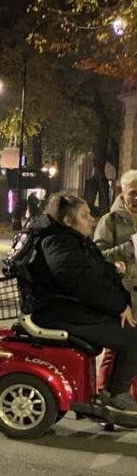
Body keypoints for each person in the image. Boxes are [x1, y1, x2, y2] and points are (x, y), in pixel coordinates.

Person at [27, 193, 137, 412]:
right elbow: (82, 281)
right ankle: (117, 394)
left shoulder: (69, 239)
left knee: (125, 331)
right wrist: (118, 305)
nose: (92, 220)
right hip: (58, 311)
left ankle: (109, 392)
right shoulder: (58, 242)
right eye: (85, 215)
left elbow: (95, 270)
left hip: (66, 307)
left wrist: (116, 284)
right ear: (68, 221)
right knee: (132, 336)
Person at [93, 170, 137, 396]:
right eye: (134, 193)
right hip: (122, 296)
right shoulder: (109, 220)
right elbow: (97, 256)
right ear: (122, 192)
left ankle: (125, 399)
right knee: (117, 349)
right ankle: (105, 396)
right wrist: (127, 250)